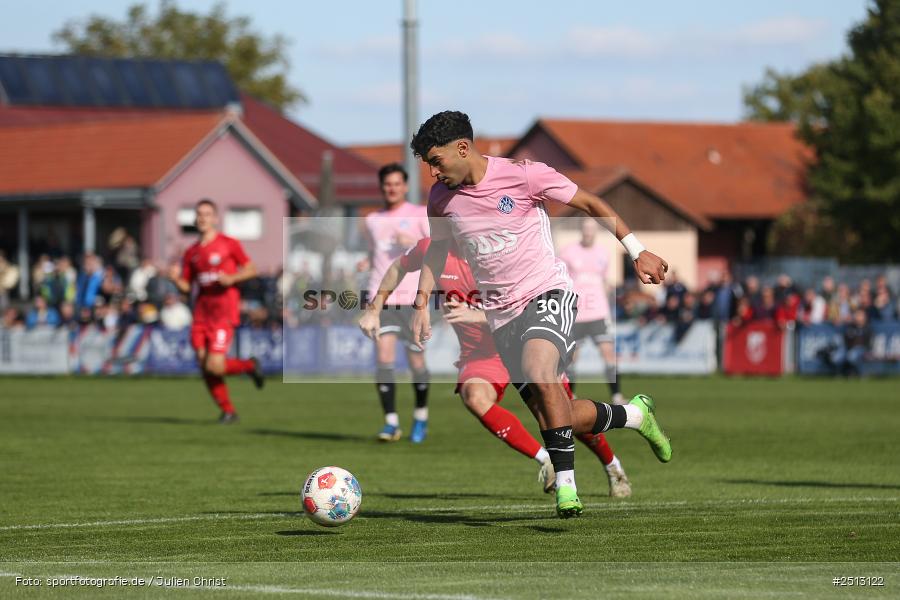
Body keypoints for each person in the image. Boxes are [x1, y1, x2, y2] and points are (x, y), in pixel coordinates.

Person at [409, 111, 671, 518]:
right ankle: (635, 415)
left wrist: (638, 251)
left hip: (548, 293)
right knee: (557, 413)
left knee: (540, 370)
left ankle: (567, 486)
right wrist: (422, 301)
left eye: (436, 160)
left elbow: (590, 202)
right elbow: (437, 248)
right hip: (501, 317)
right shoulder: (441, 199)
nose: (432, 172)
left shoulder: (524, 175)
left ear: (462, 148)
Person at [360, 237, 632, 497]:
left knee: (562, 417)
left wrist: (477, 315)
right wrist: (374, 308)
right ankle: (545, 459)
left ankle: (612, 465)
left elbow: (525, 309)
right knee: (475, 396)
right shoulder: (432, 248)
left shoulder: (501, 253)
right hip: (479, 354)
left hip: (520, 345)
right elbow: (397, 266)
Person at [169, 199, 264, 424]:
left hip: (223, 312)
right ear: (195, 219)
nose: (203, 218)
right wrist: (174, 278)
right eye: (199, 214)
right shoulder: (191, 252)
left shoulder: (229, 244)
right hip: (201, 314)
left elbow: (251, 269)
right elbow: (186, 286)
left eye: (207, 214)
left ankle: (250, 366)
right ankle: (228, 411)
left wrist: (231, 278)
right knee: (205, 366)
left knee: (215, 365)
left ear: (215, 218)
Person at [362, 163, 431, 442]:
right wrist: (366, 260)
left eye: (396, 184)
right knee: (384, 356)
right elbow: (374, 250)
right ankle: (391, 422)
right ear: (382, 187)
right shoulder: (372, 219)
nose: (392, 188)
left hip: (412, 298)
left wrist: (413, 240)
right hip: (382, 298)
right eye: (387, 184)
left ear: (405, 186)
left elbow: (434, 248)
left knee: (416, 361)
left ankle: (420, 417)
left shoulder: (418, 214)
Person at [558, 218, 624, 404]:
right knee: (572, 357)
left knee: (609, 353)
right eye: (585, 229)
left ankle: (617, 395)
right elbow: (560, 280)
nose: (588, 232)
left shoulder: (603, 253)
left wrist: (608, 292)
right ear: (581, 230)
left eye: (591, 229)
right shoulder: (568, 252)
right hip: (576, 314)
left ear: (596, 231)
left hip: (598, 313)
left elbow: (603, 281)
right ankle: (570, 396)